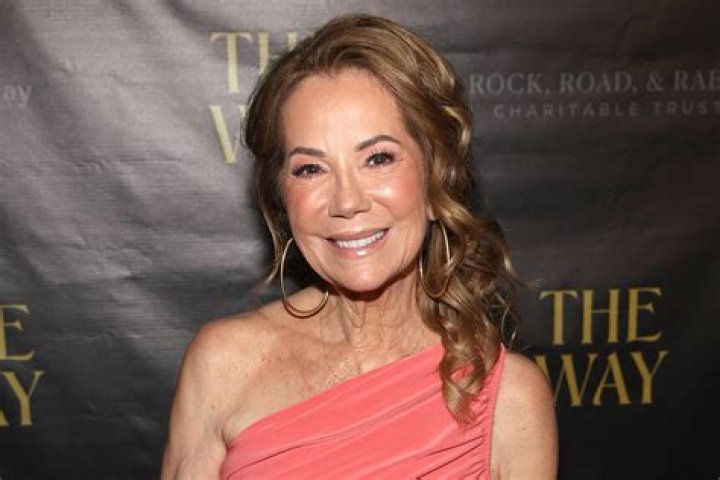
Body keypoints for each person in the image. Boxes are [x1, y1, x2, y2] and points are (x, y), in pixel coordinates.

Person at [161, 13, 557, 480]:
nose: (346, 202)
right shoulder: (223, 365)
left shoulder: (511, 400)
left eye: (378, 158)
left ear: (436, 181)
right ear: (282, 197)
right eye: (311, 169)